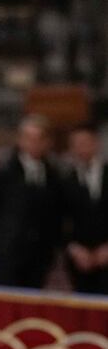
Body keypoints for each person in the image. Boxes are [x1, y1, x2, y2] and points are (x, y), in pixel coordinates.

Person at [0, 115, 63, 288]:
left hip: (40, 255)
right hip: (9, 253)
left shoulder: (54, 175)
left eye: (39, 139)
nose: (34, 144)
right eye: (29, 138)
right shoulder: (3, 174)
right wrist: (0, 243)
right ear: (20, 141)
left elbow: (56, 213)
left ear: (48, 142)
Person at [62, 122, 108, 295]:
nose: (82, 149)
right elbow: (58, 219)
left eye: (85, 143)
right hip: (79, 261)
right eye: (76, 145)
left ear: (96, 143)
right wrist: (74, 248)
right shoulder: (64, 180)